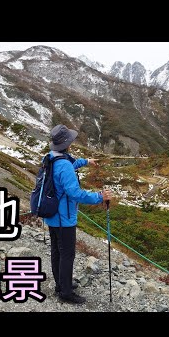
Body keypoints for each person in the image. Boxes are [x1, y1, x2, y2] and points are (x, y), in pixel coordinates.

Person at [44, 124, 112, 304]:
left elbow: (69, 165)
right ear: (67, 144)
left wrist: (86, 161)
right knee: (67, 254)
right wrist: (99, 196)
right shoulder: (64, 165)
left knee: (56, 251)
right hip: (64, 218)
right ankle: (65, 293)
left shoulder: (51, 157)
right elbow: (75, 194)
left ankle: (61, 284)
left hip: (51, 215)